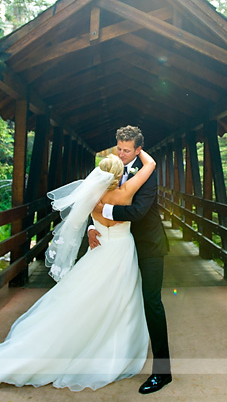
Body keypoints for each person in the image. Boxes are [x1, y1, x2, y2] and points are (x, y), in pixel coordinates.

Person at [0, 150, 157, 391]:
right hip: (121, 251)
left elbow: (77, 220)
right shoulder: (126, 192)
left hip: (99, 251)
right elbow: (151, 164)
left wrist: (90, 230)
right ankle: (111, 348)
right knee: (122, 299)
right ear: (119, 175)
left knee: (83, 299)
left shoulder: (92, 196)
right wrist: (137, 149)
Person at [90, 125, 172, 394]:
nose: (122, 154)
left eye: (127, 150)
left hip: (148, 245)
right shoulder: (109, 166)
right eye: (119, 148)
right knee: (118, 299)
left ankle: (162, 373)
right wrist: (93, 227)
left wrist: (105, 209)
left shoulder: (148, 172)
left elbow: (137, 212)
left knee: (151, 302)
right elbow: (87, 200)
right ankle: (116, 357)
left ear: (139, 150)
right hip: (119, 247)